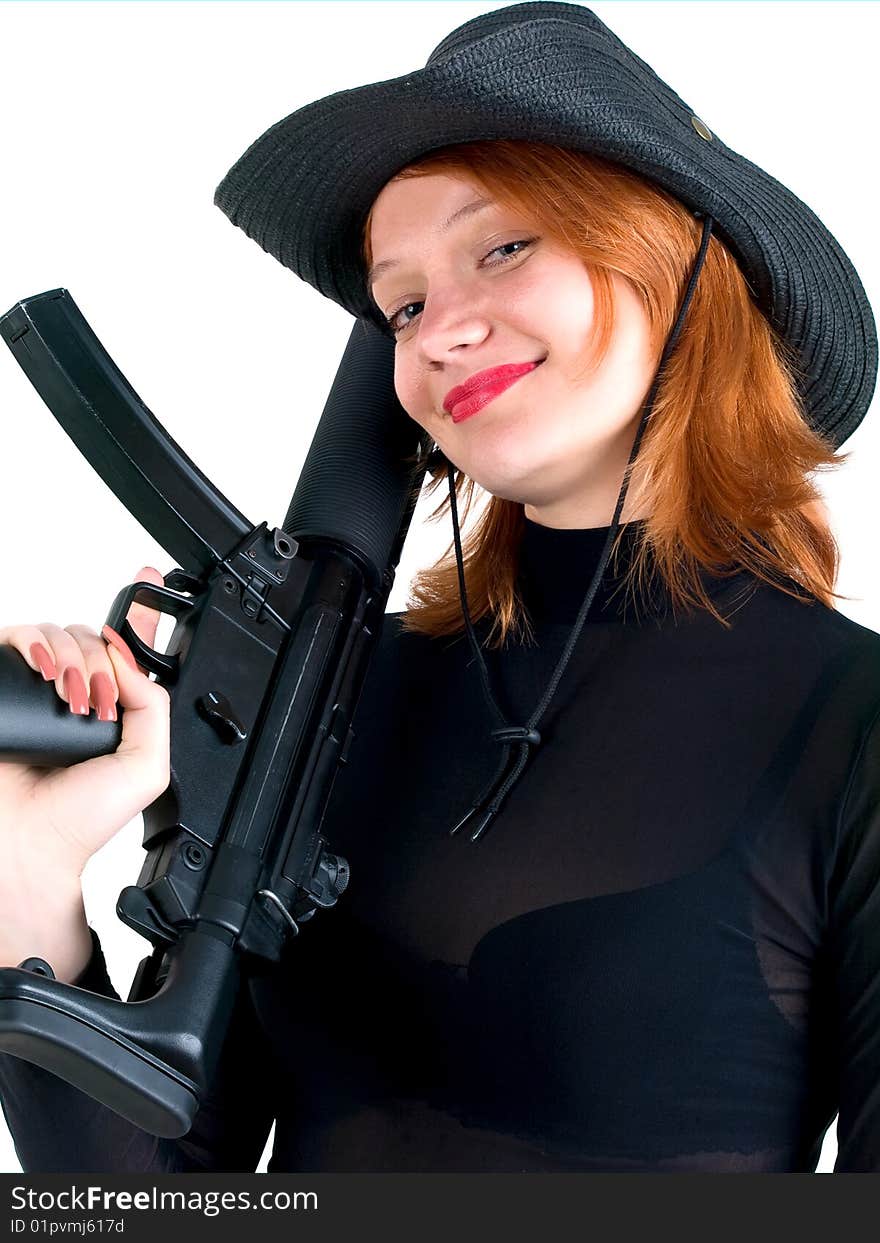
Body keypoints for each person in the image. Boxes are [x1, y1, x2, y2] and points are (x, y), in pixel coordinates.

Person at [0, 0, 878, 1173]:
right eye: (401, 302)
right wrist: (29, 869)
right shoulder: (322, 705)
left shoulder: (850, 725)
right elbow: (140, 1202)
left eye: (503, 247)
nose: (438, 333)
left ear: (678, 257)